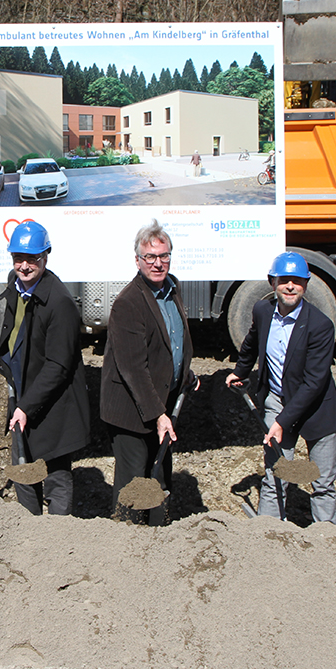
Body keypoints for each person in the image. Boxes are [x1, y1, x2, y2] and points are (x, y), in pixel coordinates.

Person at [225, 252, 336, 523]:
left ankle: (327, 540)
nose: (290, 286)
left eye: (297, 281)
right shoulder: (263, 311)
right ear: (272, 282)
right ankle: (269, 536)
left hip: (316, 409)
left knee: (322, 481)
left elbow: (314, 383)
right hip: (277, 398)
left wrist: (281, 421)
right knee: (276, 473)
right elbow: (251, 343)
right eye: (284, 280)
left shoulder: (320, 326)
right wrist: (239, 372)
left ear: (306, 284)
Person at [101, 220, 196, 525]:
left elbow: (172, 343)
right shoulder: (128, 303)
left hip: (159, 406)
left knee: (158, 477)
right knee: (134, 483)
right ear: (138, 261)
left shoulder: (171, 290)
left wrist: (185, 375)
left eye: (164, 256)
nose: (158, 263)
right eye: (150, 257)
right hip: (132, 411)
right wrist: (158, 415)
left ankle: (157, 540)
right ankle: (126, 543)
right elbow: (133, 368)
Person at [0, 221, 90, 515]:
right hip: (24, 398)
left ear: (45, 257)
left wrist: (26, 407)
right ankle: (29, 535)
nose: (23, 266)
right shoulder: (16, 287)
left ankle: (55, 542)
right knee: (23, 473)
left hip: (53, 406)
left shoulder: (59, 303)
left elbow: (58, 366)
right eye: (18, 258)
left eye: (31, 259)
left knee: (56, 478)